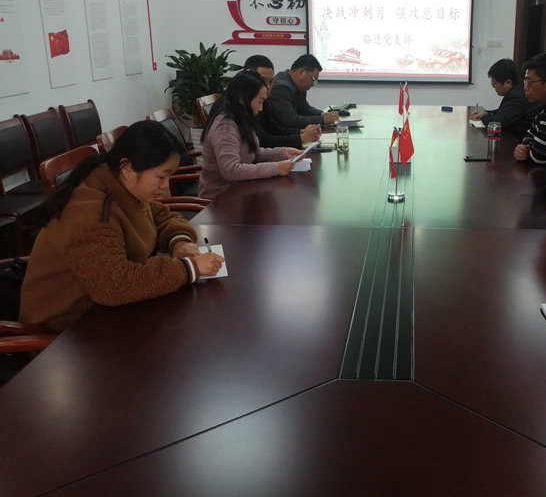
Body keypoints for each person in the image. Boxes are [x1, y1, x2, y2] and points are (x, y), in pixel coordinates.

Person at [20, 121, 225, 333]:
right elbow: (113, 285)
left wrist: (179, 242)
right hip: (67, 332)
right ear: (127, 168)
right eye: (161, 176)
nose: (165, 185)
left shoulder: (123, 188)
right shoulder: (92, 213)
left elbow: (161, 217)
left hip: (109, 315)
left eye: (170, 176)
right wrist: (190, 268)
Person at [199, 69, 304, 200]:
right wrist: (275, 168)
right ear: (242, 98)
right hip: (220, 199)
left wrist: (283, 153)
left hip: (241, 190)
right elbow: (231, 170)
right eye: (259, 102)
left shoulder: (242, 117)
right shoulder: (225, 125)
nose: (261, 108)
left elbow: (253, 153)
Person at [243, 54, 321, 148]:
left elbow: (274, 129)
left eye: (271, 81)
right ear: (247, 79)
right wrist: (300, 138)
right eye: (262, 80)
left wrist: (300, 132)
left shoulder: (263, 100)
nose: (267, 86)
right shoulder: (240, 106)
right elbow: (263, 141)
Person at [263, 54, 339, 135]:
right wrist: (322, 119)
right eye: (313, 79)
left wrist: (323, 114)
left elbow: (306, 109)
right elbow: (290, 120)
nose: (313, 84)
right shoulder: (280, 87)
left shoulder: (298, 86)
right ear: (301, 72)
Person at [513, 53, 546, 164]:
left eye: (529, 82)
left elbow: (539, 156)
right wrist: (527, 147)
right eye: (525, 82)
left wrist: (528, 151)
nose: (525, 87)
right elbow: (527, 138)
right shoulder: (543, 108)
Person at [471, 58, 537, 141]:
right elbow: (503, 111)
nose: (493, 86)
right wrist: (486, 113)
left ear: (508, 82)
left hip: (519, 141)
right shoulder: (517, 88)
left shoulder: (517, 96)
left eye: (494, 83)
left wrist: (483, 117)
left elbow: (497, 122)